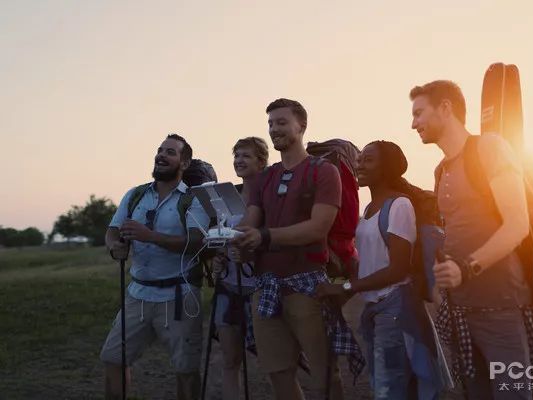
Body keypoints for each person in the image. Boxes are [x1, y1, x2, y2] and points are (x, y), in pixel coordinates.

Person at [409, 80, 533, 399]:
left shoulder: (489, 147)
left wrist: (466, 268)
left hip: (501, 306)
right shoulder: (440, 169)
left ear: (446, 108)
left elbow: (517, 225)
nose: (413, 123)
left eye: (419, 113)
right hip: (461, 308)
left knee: (514, 394)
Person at [231, 98, 364, 400]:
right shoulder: (265, 178)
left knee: (324, 376)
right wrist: (234, 241)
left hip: (308, 287)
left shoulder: (323, 171)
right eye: (270, 124)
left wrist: (262, 238)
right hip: (265, 287)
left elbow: (318, 228)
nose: (274, 129)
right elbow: (250, 221)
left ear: (301, 126)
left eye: (281, 122)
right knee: (278, 372)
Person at [316, 141, 445, 400]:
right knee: (393, 382)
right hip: (378, 308)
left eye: (368, 160)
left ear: (387, 168)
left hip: (395, 308)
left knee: (388, 386)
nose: (359, 164)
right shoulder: (369, 209)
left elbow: (397, 270)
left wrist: (346, 287)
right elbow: (370, 262)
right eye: (359, 158)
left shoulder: (399, 206)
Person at [101, 134, 209, 400]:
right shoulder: (136, 194)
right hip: (137, 293)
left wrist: (151, 237)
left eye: (170, 152)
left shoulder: (193, 200)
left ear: (184, 163)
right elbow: (112, 230)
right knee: (113, 359)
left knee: (186, 369)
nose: (161, 155)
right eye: (160, 150)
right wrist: (115, 247)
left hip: (180, 296)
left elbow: (197, 242)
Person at [211, 136, 269, 400]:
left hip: (260, 288)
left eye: (246, 156)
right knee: (230, 360)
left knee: (273, 362)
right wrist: (219, 254)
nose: (239, 161)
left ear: (262, 161)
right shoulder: (226, 195)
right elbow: (219, 235)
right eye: (236, 156)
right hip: (227, 286)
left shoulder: (270, 197)